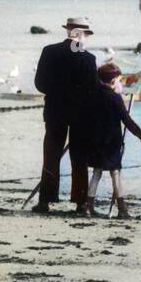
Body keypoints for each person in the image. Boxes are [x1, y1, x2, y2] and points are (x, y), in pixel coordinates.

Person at [32, 17, 97, 214]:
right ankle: (80, 203)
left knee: (51, 156)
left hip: (54, 111)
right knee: (80, 158)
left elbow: (39, 84)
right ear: (82, 35)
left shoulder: (49, 51)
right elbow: (93, 90)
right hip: (81, 114)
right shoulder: (88, 58)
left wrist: (57, 94)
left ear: (68, 31)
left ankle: (45, 200)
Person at [81, 62, 141, 219]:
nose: (119, 83)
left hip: (95, 140)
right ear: (112, 82)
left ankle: (88, 206)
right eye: (118, 80)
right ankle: (122, 208)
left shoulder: (93, 94)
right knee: (115, 173)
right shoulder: (115, 98)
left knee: (96, 172)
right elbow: (127, 121)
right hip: (111, 142)